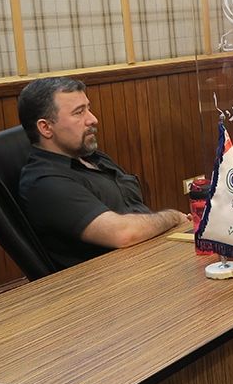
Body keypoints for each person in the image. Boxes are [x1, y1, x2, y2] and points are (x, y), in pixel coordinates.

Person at [18, 77, 187, 269]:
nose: (93, 119)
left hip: (151, 256)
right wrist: (173, 217)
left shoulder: (92, 157)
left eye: (88, 108)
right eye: (79, 112)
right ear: (46, 127)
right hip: (113, 278)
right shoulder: (45, 183)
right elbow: (123, 234)